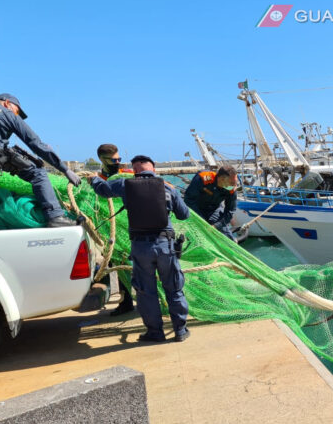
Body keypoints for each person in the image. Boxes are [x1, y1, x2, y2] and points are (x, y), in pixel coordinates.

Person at [88, 155, 190, 342]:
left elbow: (102, 190)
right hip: (166, 245)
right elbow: (184, 215)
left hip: (141, 247)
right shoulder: (168, 187)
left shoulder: (125, 184)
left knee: (146, 292)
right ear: (154, 169)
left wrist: (94, 178)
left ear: (134, 170)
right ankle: (181, 331)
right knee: (174, 288)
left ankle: (155, 333)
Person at [0, 93, 81, 227]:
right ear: (7, 103)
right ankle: (56, 217)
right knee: (38, 173)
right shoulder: (7, 114)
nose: (17, 115)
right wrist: (65, 170)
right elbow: (36, 144)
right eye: (17, 111)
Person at [96, 143, 135, 316]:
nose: (118, 162)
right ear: (102, 160)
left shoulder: (128, 175)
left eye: (119, 159)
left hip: (131, 228)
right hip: (111, 231)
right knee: (118, 267)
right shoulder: (98, 180)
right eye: (113, 160)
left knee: (140, 264)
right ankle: (125, 302)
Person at [183, 166, 238, 241]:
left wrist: (216, 226)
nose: (234, 185)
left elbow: (230, 211)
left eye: (235, 182)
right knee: (192, 237)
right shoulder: (203, 177)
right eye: (232, 183)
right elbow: (188, 199)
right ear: (222, 179)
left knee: (228, 240)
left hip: (214, 210)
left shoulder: (231, 188)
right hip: (196, 210)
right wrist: (202, 221)